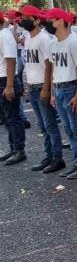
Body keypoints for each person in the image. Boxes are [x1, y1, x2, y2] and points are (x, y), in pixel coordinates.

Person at [46, 8, 77, 179]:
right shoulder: (53, 43)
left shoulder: (73, 42)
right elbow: (53, 69)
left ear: (61, 21)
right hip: (59, 88)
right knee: (68, 129)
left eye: (51, 20)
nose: (49, 23)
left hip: (71, 88)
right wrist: (52, 92)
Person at [19, 5, 65, 173]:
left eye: (27, 17)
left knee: (50, 125)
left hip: (41, 88)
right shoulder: (28, 38)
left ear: (37, 20)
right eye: (22, 17)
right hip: (32, 87)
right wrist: (27, 86)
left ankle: (57, 158)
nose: (23, 20)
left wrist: (46, 89)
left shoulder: (44, 39)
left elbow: (49, 66)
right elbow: (30, 65)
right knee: (42, 125)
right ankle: (49, 156)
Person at [0, 13, 26, 165]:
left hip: (6, 81)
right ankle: (13, 148)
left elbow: (11, 60)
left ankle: (19, 150)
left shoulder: (5, 35)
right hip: (2, 80)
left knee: (13, 118)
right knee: (6, 118)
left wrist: (9, 86)